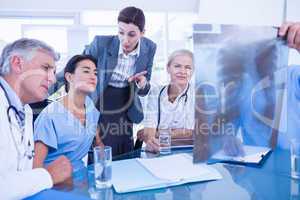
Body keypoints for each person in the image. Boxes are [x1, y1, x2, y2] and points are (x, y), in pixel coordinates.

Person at [0, 38, 72, 199]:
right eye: (46, 68)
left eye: (53, 72)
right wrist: (47, 175)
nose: (53, 79)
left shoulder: (24, 110)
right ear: (18, 63)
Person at [83, 6, 156, 156]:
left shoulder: (149, 47)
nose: (125, 40)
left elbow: (145, 87)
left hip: (126, 102)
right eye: (121, 32)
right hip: (101, 99)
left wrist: (142, 83)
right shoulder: (101, 43)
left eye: (132, 34)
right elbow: (77, 68)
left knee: (125, 147)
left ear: (142, 33)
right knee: (101, 148)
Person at [33, 55, 103, 172]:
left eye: (95, 73)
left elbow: (98, 143)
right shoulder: (50, 115)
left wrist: (106, 165)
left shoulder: (90, 106)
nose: (93, 77)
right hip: (52, 182)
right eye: (86, 71)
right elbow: (36, 167)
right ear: (69, 77)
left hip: (81, 176)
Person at [142, 49, 195, 153]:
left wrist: (158, 133)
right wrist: (151, 139)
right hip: (159, 152)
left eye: (188, 67)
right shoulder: (156, 92)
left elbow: (193, 135)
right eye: (177, 66)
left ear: (192, 72)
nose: (182, 71)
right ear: (168, 68)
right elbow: (148, 132)